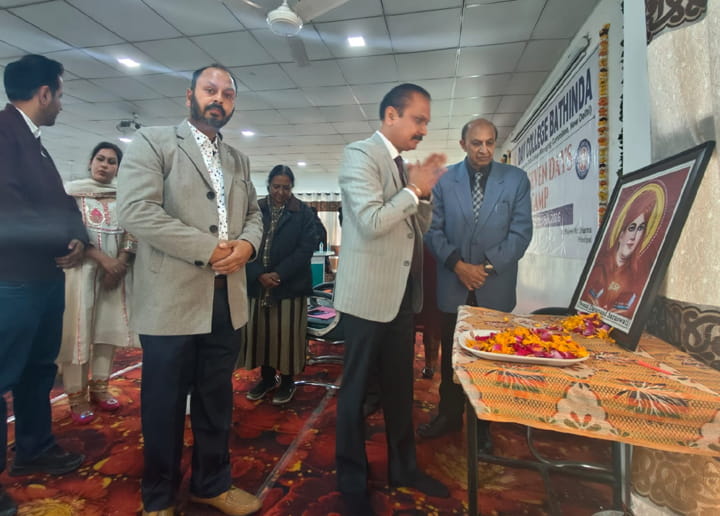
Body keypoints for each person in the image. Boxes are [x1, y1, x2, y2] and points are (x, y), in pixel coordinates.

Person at [117, 63, 263, 516]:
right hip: (171, 300)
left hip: (225, 300)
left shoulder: (238, 159)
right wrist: (208, 249)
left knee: (216, 400)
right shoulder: (155, 142)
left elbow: (254, 215)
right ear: (189, 96)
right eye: (209, 90)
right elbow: (137, 211)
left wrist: (248, 245)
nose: (218, 98)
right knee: (163, 405)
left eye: (227, 94)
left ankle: (211, 484)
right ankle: (158, 497)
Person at [333, 83, 448, 515]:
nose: (423, 130)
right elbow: (370, 222)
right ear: (390, 116)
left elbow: (418, 227)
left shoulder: (401, 165)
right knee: (357, 394)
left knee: (401, 391)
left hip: (402, 296)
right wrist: (413, 191)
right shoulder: (360, 155)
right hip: (367, 298)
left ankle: (404, 469)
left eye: (426, 122)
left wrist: (424, 194)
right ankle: (351, 483)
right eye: (418, 119)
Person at [0, 54, 86, 516]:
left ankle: (33, 448)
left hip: (44, 280)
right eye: (60, 94)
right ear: (44, 93)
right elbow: (12, 209)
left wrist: (79, 240)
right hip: (13, 283)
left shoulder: (34, 142)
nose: (62, 105)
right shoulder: (3, 134)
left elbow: (63, 205)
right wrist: (62, 242)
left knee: (38, 372)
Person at [418, 118, 532, 441]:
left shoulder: (516, 180)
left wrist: (485, 268)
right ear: (463, 144)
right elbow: (433, 231)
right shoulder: (444, 180)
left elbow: (521, 233)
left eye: (489, 143)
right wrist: (458, 266)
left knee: (491, 358)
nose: (484, 150)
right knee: (452, 357)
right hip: (453, 284)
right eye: (476, 143)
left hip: (494, 285)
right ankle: (449, 415)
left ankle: (484, 426)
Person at [58, 142, 139, 425]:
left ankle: (101, 387)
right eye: (100, 159)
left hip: (115, 274)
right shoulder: (70, 193)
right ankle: (76, 395)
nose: (105, 165)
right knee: (78, 333)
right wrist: (103, 260)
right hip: (80, 273)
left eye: (112, 161)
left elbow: (132, 232)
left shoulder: (125, 196)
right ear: (90, 162)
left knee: (107, 330)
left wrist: (120, 263)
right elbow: (68, 232)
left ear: (118, 168)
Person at [241, 165, 316, 405]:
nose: (280, 192)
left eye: (286, 187)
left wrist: (279, 274)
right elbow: (242, 242)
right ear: (268, 186)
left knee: (286, 338)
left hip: (289, 287)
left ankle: (287, 382)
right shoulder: (255, 209)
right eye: (276, 187)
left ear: (292, 188)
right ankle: (266, 379)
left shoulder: (303, 212)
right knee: (261, 335)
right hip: (257, 285)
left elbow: (306, 249)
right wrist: (258, 274)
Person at [582, 188, 658, 318]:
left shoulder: (639, 274)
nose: (634, 236)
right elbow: (584, 300)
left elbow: (634, 310)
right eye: (632, 228)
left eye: (640, 229)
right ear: (621, 234)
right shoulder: (600, 265)